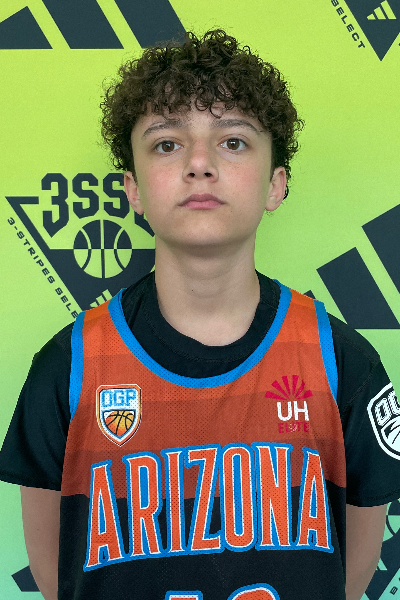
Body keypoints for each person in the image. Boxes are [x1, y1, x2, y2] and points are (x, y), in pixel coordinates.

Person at [0, 28, 399, 600]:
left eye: (233, 141)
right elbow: (56, 574)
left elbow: (350, 575)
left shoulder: (343, 363)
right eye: (167, 144)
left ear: (276, 185)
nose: (199, 164)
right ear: (133, 190)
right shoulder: (69, 367)